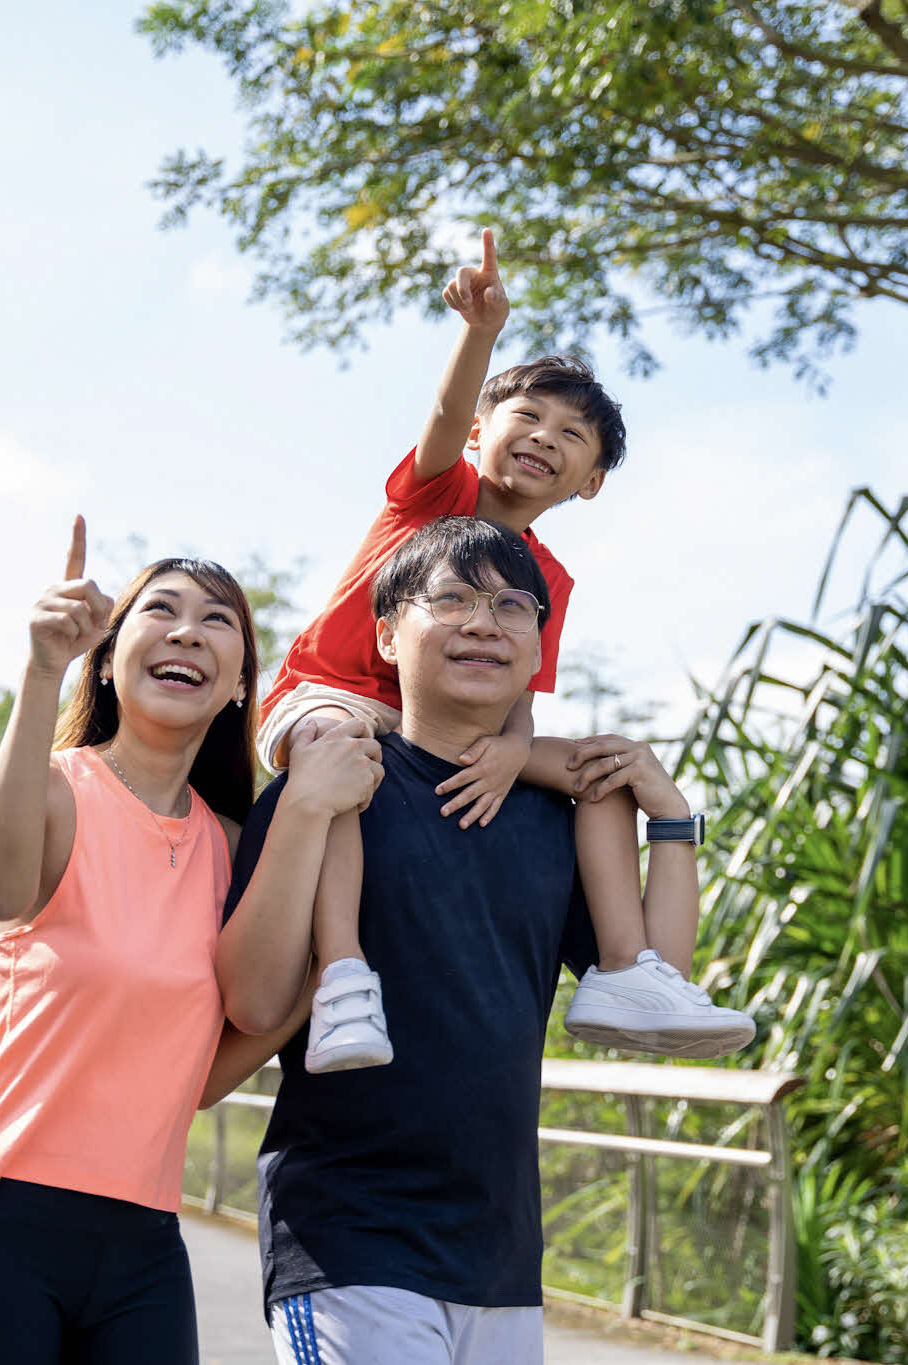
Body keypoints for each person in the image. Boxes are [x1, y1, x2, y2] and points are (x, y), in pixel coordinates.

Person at [220, 516, 716, 1364]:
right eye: (450, 598)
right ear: (386, 632)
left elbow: (654, 977)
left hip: (501, 1259)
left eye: (511, 605)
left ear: (536, 652)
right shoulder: (329, 789)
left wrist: (671, 819)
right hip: (349, 1239)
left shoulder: (556, 823)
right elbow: (253, 1000)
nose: (483, 622)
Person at [0, 518, 381, 1365]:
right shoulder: (46, 789)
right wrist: (43, 668)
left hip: (145, 1245)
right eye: (163, 609)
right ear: (109, 660)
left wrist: (329, 970)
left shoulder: (232, 846)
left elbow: (193, 1078)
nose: (189, 629)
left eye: (218, 619)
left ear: (237, 688)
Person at [259, 229, 752, 1074]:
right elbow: (446, 419)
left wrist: (514, 755)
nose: (543, 438)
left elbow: (519, 699)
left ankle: (628, 970)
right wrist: (479, 333)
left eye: (571, 436)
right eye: (526, 416)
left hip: (449, 721)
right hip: (332, 692)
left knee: (600, 768)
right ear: (487, 427)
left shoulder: (548, 580)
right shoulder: (438, 495)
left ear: (590, 481)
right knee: (342, 750)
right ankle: (342, 966)